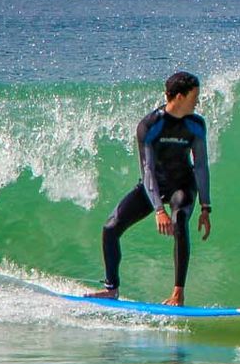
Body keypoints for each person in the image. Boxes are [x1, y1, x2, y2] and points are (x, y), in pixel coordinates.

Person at [88, 70, 213, 305]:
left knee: (179, 221)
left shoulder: (196, 125)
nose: (198, 100)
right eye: (194, 96)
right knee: (110, 228)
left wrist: (206, 207)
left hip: (183, 184)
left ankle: (178, 292)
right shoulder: (150, 125)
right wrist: (158, 209)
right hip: (154, 185)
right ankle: (111, 288)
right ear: (179, 97)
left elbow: (201, 167)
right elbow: (147, 170)